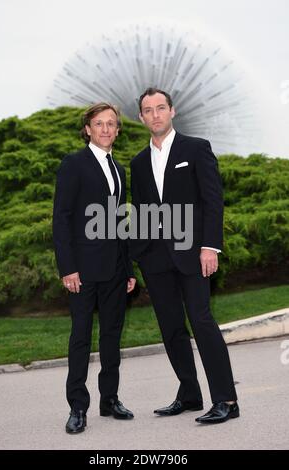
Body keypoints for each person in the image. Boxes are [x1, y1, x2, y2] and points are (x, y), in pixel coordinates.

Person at [130, 88, 239, 424]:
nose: (155, 115)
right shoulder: (138, 162)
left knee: (202, 322)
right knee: (171, 328)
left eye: (161, 108)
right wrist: (136, 257)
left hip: (193, 254)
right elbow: (143, 211)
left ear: (172, 111)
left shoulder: (196, 148)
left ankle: (226, 400)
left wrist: (210, 246)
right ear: (141, 118)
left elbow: (212, 200)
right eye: (148, 110)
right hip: (156, 260)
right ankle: (189, 394)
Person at [53, 103, 136, 434]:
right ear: (87, 128)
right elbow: (62, 219)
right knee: (81, 339)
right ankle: (77, 406)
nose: (105, 129)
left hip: (115, 270)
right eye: (98, 123)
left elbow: (121, 222)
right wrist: (68, 268)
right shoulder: (74, 164)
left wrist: (128, 268)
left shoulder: (119, 170)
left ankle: (109, 398)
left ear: (117, 130)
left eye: (111, 124)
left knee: (112, 337)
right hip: (83, 272)